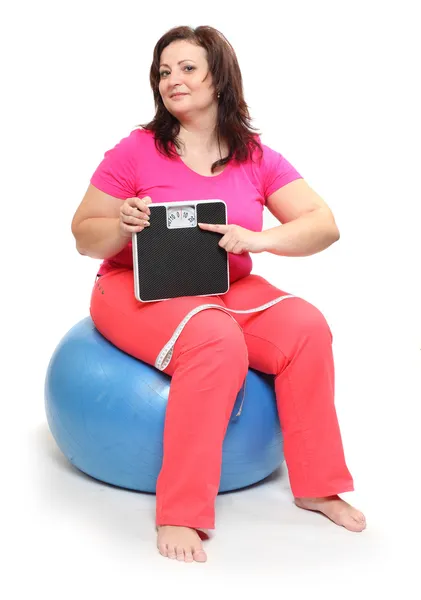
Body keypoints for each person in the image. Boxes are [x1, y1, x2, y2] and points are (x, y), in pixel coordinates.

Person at [71, 25, 366, 563]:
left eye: (187, 68)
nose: (172, 80)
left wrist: (260, 239)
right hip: (133, 289)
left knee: (306, 325)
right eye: (164, 71)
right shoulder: (135, 150)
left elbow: (324, 224)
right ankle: (180, 512)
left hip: (224, 285)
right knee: (215, 339)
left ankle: (317, 485)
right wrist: (121, 224)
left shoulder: (254, 155)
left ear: (219, 79)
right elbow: (82, 235)